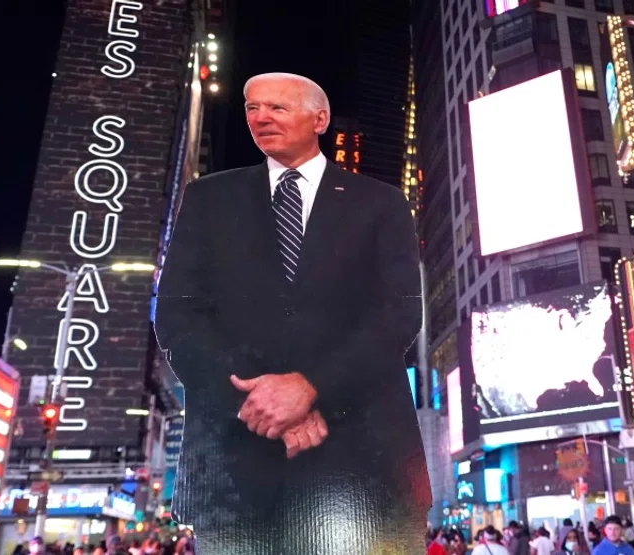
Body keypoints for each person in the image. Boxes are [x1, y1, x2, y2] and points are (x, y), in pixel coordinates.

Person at [154, 71, 431, 555]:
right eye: (251, 108)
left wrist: (313, 388)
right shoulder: (207, 199)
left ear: (319, 118)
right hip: (234, 475)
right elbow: (178, 316)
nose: (260, 117)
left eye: (277, 108)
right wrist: (260, 403)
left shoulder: (382, 204)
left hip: (366, 470)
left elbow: (397, 317)